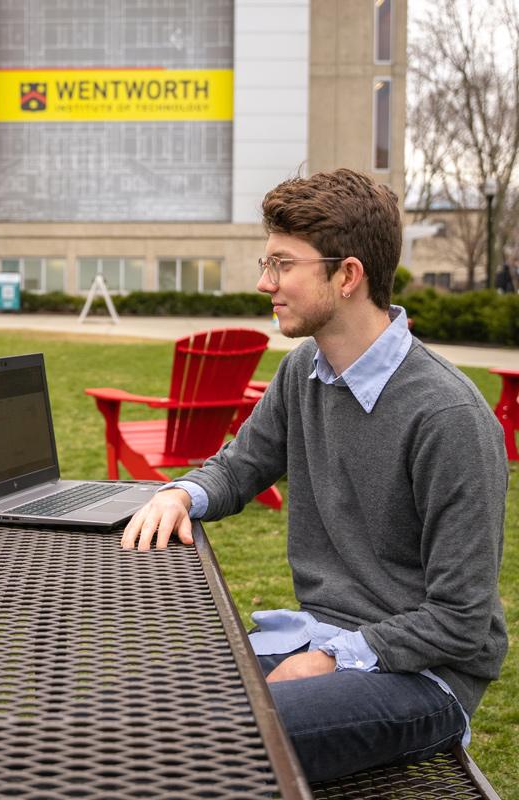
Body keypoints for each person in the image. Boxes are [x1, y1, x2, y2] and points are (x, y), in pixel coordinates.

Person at [122, 169, 508, 783]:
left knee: (201, 742)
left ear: (347, 275)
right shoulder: (305, 370)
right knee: (136, 708)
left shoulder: (448, 417)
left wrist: (331, 657)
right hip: (324, 638)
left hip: (423, 677)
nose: (263, 282)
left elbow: (461, 622)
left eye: (281, 264)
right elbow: (240, 466)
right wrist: (181, 493)